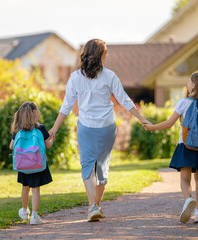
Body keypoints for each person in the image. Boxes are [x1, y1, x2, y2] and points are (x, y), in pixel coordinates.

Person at [48, 39, 149, 222]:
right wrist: (142, 119)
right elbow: (125, 100)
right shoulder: (109, 76)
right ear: (100, 55)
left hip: (85, 127)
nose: (107, 55)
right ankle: (96, 206)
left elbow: (66, 105)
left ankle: (93, 206)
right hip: (106, 127)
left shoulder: (76, 77)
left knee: (87, 166)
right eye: (106, 52)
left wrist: (54, 129)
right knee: (102, 166)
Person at [143, 72, 198, 224]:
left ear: (193, 85)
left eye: (190, 82)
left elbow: (169, 123)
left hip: (186, 145)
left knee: (185, 179)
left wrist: (152, 127)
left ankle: (188, 199)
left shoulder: (184, 103)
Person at [9, 101, 55, 225]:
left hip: (23, 165)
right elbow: (47, 146)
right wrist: (52, 139)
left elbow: (11, 146)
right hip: (36, 164)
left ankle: (24, 211)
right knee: (35, 189)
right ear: (34, 113)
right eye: (38, 110)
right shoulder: (40, 128)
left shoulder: (18, 129)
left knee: (25, 187)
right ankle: (34, 216)